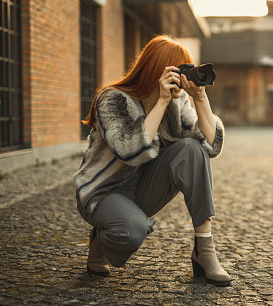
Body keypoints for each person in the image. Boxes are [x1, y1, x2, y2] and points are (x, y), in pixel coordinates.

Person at [73, 35, 231, 286]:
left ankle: (205, 250)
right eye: (179, 70)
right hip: (104, 191)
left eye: (187, 71)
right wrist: (161, 101)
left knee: (192, 149)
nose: (183, 78)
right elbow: (130, 151)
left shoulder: (178, 101)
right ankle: (102, 236)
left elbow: (210, 146)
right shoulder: (112, 98)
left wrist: (200, 98)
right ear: (156, 70)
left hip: (145, 187)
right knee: (130, 232)